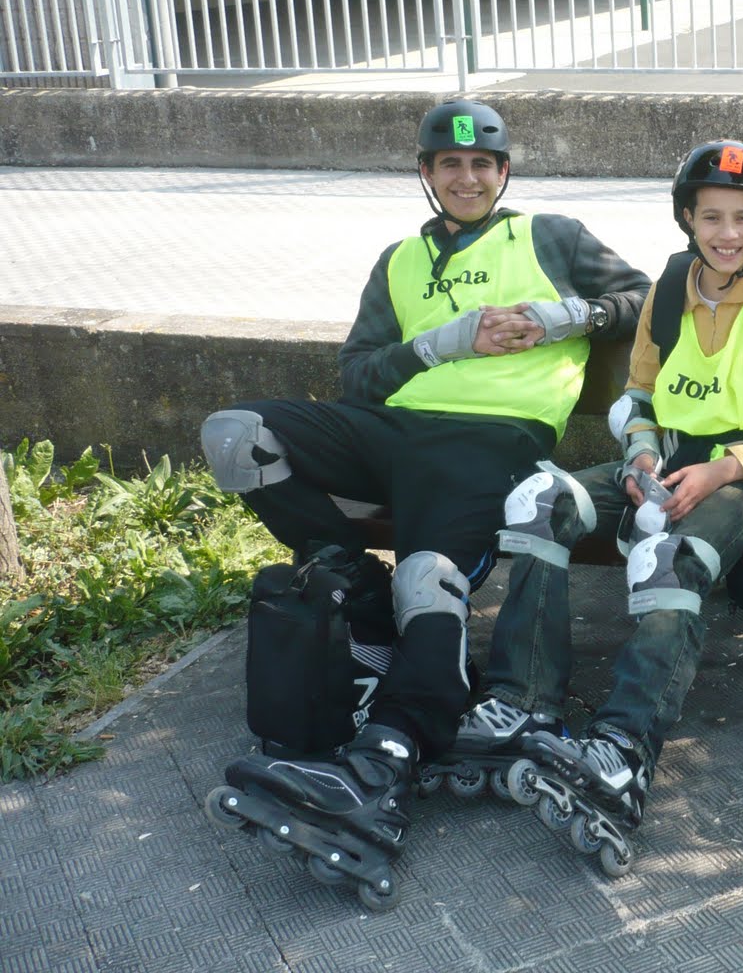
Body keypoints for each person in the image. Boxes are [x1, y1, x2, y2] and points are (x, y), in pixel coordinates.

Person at [198, 99, 651, 908]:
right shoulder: (399, 259)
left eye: (484, 165)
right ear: (427, 174)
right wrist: (442, 343)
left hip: (493, 437)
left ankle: (387, 761)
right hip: (390, 429)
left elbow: (645, 301)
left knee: (431, 576)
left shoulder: (550, 237)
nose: (468, 177)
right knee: (237, 434)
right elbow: (358, 376)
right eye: (450, 164)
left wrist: (568, 316)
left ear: (504, 174)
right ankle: (360, 601)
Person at [498, 139, 743, 876]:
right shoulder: (669, 288)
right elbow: (639, 396)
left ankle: (622, 748)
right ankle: (523, 703)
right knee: (536, 500)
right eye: (711, 216)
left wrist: (722, 471)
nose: (727, 233)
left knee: (666, 556)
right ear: (688, 218)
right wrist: (643, 453)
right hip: (663, 464)